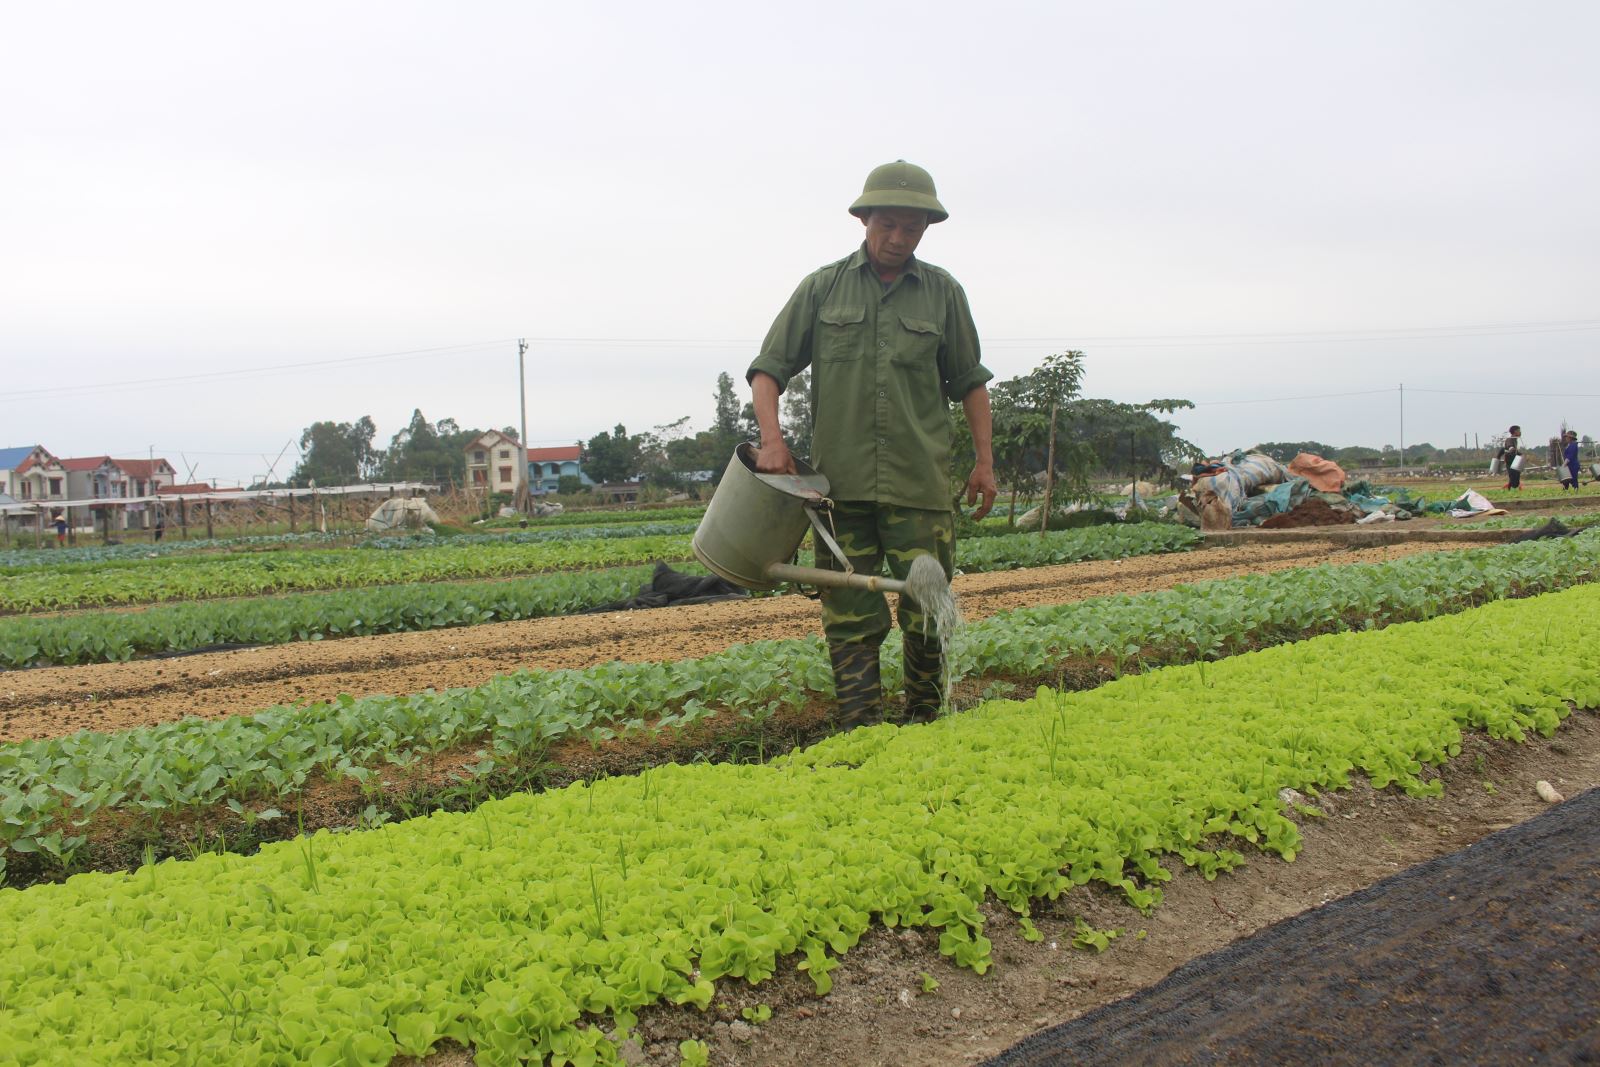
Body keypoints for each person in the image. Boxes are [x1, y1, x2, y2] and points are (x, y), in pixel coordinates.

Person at [747, 160, 997, 730]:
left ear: (926, 230)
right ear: (864, 219)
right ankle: (860, 729)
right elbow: (768, 370)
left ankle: (927, 722)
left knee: (927, 610)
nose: (898, 239)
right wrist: (772, 440)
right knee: (849, 614)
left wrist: (984, 463)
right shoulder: (822, 288)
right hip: (840, 492)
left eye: (912, 229)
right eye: (888, 225)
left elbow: (971, 384)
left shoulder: (942, 293)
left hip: (920, 487)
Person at [1499, 425, 1522, 490]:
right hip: (1510, 461)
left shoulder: (1515, 440)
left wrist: (1520, 454)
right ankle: (1508, 489)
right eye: (1519, 431)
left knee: (1516, 476)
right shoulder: (1510, 439)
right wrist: (1511, 448)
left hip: (1515, 460)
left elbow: (1515, 451)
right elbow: (1510, 447)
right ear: (1515, 431)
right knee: (1513, 477)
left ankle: (1509, 489)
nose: (1520, 432)